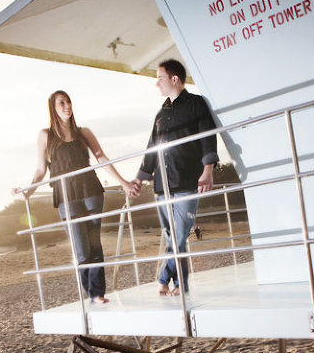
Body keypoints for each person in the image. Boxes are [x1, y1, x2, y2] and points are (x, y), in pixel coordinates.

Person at [16, 90, 136, 304]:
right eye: (62, 103)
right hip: (66, 195)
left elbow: (101, 158)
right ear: (53, 108)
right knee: (82, 249)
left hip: (91, 191)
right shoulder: (45, 135)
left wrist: (124, 182)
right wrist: (28, 191)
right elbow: (40, 170)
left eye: (69, 101)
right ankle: (90, 292)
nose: (67, 106)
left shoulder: (83, 133)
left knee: (95, 244)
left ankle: (98, 293)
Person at [130, 59, 219, 296]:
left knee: (179, 236)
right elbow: (152, 146)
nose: (157, 84)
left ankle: (162, 279)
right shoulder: (161, 113)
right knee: (173, 239)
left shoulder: (196, 104)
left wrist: (208, 170)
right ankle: (181, 285)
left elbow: (208, 137)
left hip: (188, 182)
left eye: (160, 78)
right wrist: (141, 177)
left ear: (174, 79)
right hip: (162, 186)